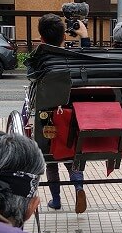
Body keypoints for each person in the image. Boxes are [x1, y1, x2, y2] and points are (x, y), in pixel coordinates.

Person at [35, 13, 90, 213]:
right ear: (64, 37)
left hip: (49, 120)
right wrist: (84, 36)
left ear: (41, 39)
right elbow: (87, 57)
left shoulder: (40, 60)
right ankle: (78, 187)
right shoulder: (75, 59)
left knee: (51, 161)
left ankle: (56, 200)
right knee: (72, 155)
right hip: (75, 117)